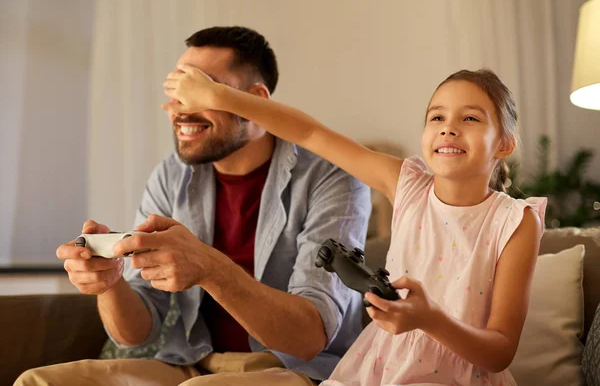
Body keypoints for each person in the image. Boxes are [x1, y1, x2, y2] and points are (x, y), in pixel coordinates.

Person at [15, 26, 371, 386]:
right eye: (175, 90)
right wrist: (109, 282)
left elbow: (309, 338)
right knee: (38, 382)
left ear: (255, 102)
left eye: (199, 90)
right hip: (189, 361)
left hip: (294, 369)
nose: (179, 109)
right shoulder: (172, 175)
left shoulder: (334, 178)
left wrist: (212, 269)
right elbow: (138, 332)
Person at [161, 66, 547, 385]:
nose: (448, 128)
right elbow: (310, 133)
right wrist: (221, 98)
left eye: (470, 118)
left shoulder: (515, 221)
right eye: (437, 117)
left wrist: (431, 320)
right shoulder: (408, 185)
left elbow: (499, 351)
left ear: (504, 145)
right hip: (378, 369)